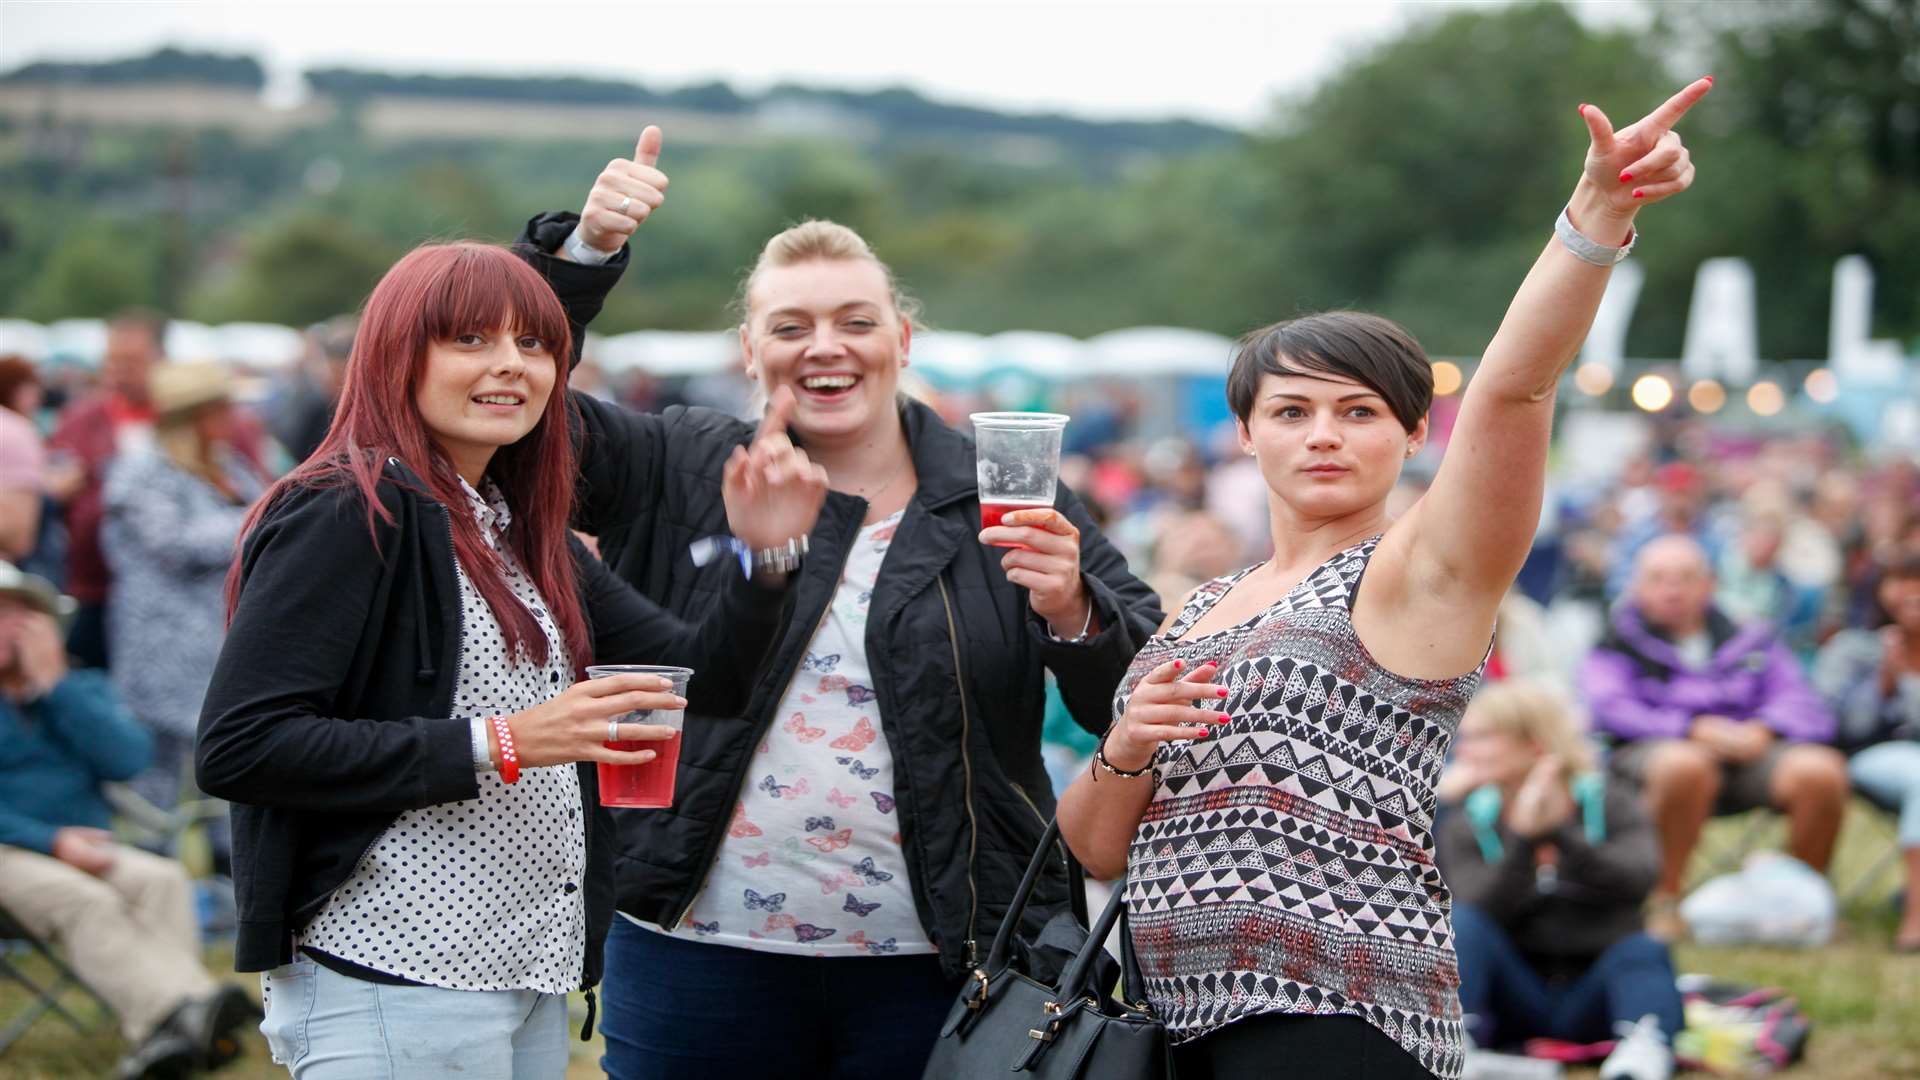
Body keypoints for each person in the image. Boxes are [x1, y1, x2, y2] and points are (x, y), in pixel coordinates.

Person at [1056, 79, 1712, 1080]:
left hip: (1333, 1017)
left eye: (1359, 411)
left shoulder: (1420, 573)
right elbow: (1096, 850)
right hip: (1164, 1024)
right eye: (1291, 411)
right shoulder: (1200, 607)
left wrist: (1595, 220)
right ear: (1245, 434)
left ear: (1413, 432)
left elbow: (1516, 385)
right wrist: (1128, 746)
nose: (1323, 433)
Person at [519, 127, 1164, 1079]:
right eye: (790, 326)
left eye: (856, 321)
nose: (826, 347)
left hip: (947, 962)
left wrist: (1073, 609)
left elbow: (1138, 694)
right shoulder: (682, 462)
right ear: (750, 351)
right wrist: (581, 262)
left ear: (901, 340)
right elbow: (521, 419)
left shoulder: (1002, 494)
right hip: (696, 945)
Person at [195, 240, 827, 1079]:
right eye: (470, 340)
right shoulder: (350, 508)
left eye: (534, 345)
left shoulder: (518, 532)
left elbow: (700, 680)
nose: (511, 366)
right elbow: (244, 745)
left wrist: (767, 557)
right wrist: (505, 742)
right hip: (393, 974)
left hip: (525, 973)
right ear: (396, 356)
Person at [0, 561, 255, 1080]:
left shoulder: (75, 689)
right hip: (14, 853)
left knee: (162, 880)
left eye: (22, 616)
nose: (12, 629)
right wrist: (51, 841)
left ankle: (165, 1041)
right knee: (84, 901)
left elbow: (128, 758)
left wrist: (56, 688)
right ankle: (195, 1012)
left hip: (82, 849)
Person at [1581, 534, 1846, 940]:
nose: (1672, 589)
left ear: (1710, 585)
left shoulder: (1750, 636)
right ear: (1637, 587)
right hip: (1652, 757)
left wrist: (1764, 728)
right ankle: (1663, 901)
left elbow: (1802, 700)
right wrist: (1691, 728)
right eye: (1659, 578)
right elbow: (1610, 707)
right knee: (1685, 765)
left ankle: (1801, 905)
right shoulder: (1615, 641)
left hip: (1749, 751)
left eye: (1685, 577)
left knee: (1821, 772)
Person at [1437, 681, 1681, 1080]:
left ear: (1533, 742)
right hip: (1513, 998)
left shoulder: (1609, 802)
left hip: (1595, 994)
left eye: (1481, 738)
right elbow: (1476, 907)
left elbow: (1639, 882)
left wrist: (1563, 835)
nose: (1463, 751)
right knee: (1463, 923)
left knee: (1644, 946)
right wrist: (1524, 840)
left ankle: (1642, 1051)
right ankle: (1459, 1043)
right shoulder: (1466, 819)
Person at [103, 361, 269, 871]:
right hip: (163, 650)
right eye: (222, 407)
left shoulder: (225, 465)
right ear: (193, 415)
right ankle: (148, 879)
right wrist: (261, 516)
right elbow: (174, 543)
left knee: (226, 765)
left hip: (223, 646)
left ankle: (225, 889)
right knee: (157, 776)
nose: (232, 416)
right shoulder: (141, 472)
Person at [1813, 552, 1920, 951]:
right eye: (1899, 582)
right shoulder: (1854, 648)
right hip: (1868, 755)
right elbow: (1841, 726)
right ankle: (1915, 917)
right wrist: (1886, 680)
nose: (1912, 595)